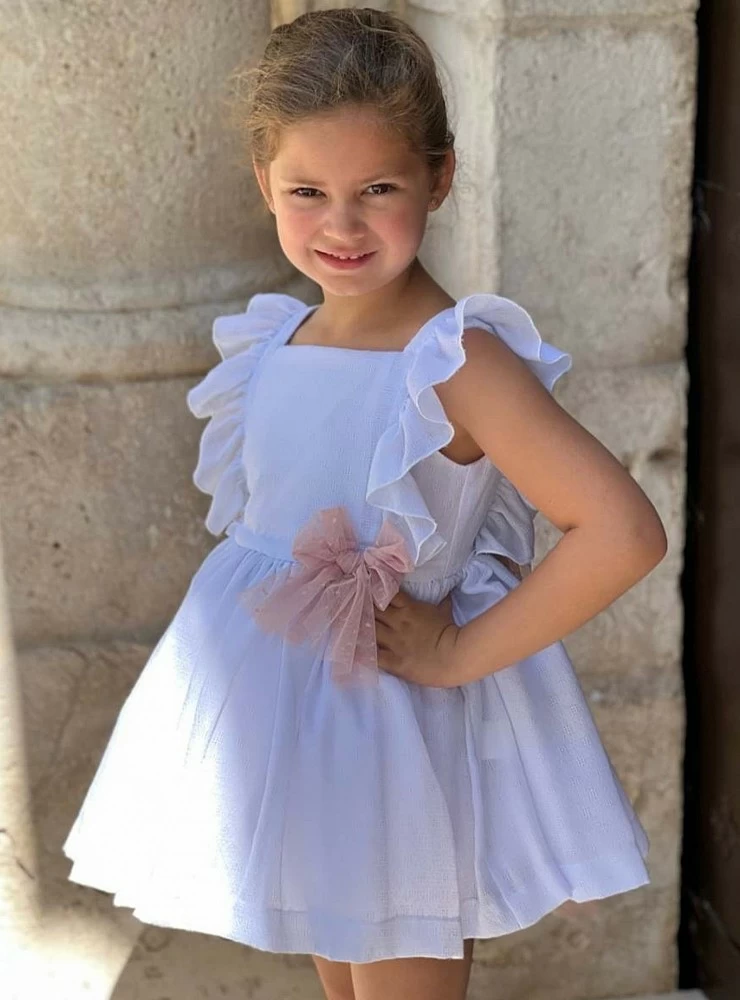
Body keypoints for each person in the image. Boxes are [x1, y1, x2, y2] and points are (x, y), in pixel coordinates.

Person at [63, 8, 668, 1000]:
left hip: (392, 738)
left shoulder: (455, 362)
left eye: (376, 189)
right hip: (287, 723)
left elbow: (620, 531)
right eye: (308, 192)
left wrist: (460, 651)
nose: (340, 226)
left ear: (440, 176)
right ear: (264, 185)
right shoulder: (275, 344)